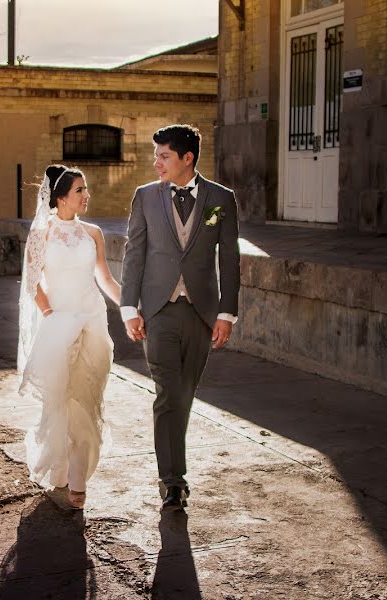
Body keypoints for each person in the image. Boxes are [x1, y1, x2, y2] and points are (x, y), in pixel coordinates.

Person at [120, 124, 241, 512]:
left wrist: (226, 312)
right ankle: (172, 480)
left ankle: (175, 473)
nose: (156, 163)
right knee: (168, 394)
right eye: (156, 156)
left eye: (163, 156)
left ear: (187, 158)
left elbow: (230, 259)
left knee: (184, 396)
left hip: (202, 314)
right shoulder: (145, 197)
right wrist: (128, 307)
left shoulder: (221, 199)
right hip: (158, 310)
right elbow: (134, 254)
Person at [17, 164, 122, 510]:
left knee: (87, 400)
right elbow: (33, 283)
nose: (86, 195)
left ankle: (78, 477)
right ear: (60, 197)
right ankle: (64, 469)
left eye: (85, 189)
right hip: (59, 325)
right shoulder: (42, 233)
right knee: (62, 402)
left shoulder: (93, 233)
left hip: (93, 322)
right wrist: (51, 316)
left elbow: (105, 279)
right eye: (80, 190)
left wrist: (131, 306)